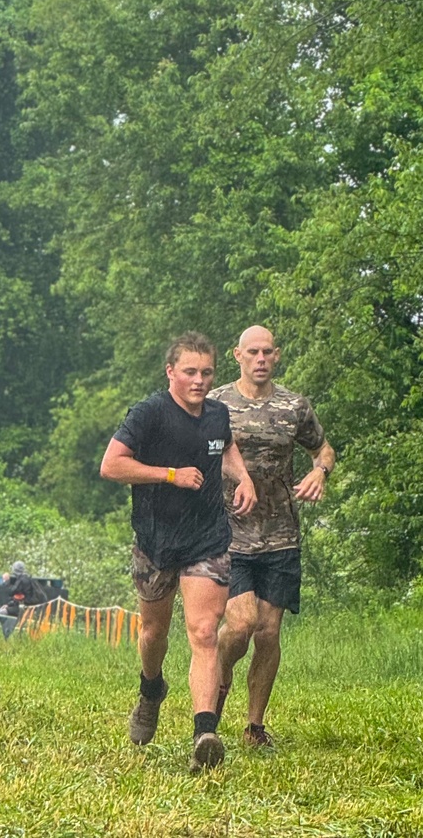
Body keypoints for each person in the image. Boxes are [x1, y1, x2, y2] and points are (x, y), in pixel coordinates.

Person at [99, 331, 257, 772]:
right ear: (171, 372)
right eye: (190, 372)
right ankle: (151, 689)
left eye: (207, 373)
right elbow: (111, 466)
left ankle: (204, 732)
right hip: (155, 540)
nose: (199, 380)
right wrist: (170, 474)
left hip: (207, 539)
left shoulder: (218, 415)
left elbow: (226, 448)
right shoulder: (149, 413)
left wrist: (243, 478)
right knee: (153, 634)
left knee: (204, 632)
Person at [211, 325, 335, 747]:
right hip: (228, 532)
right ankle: (220, 672)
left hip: (281, 534)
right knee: (240, 625)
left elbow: (323, 448)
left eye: (267, 352)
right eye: (253, 352)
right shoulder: (217, 403)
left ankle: (254, 727)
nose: (260, 359)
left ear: (276, 356)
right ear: (237, 355)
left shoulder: (294, 406)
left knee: (268, 633)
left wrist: (320, 472)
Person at [0, 560, 47, 639]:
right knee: (5, 609)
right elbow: (18, 597)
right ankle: (11, 633)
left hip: (25, 608)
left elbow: (11, 591)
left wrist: (6, 581)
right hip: (26, 607)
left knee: (1, 612)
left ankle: (7, 635)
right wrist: (9, 605)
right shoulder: (27, 579)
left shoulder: (22, 580)